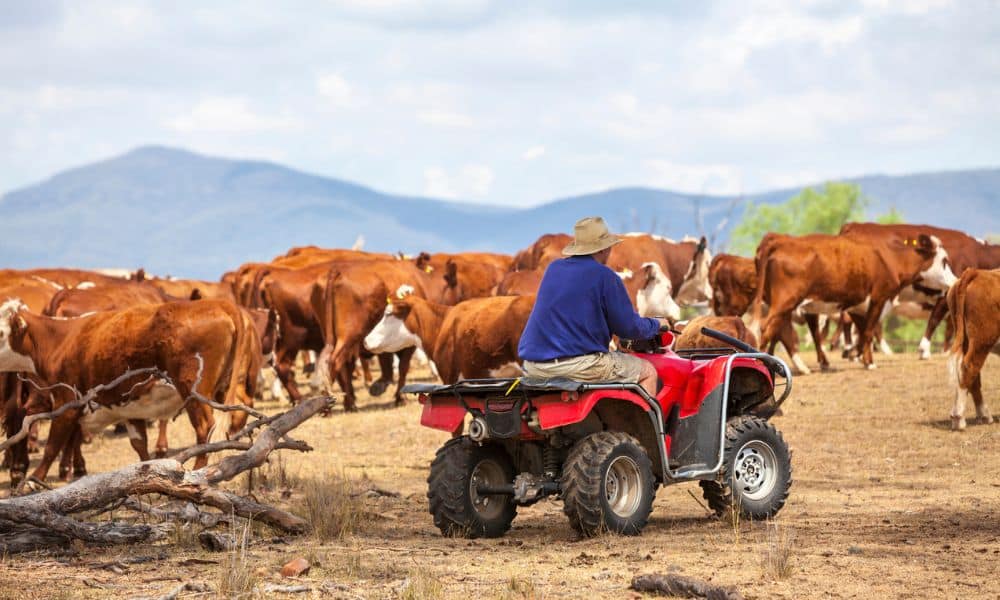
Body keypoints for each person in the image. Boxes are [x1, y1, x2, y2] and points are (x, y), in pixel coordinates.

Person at [518, 216, 670, 396]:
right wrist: (656, 324)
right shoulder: (605, 277)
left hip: (534, 366)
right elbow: (629, 328)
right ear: (603, 249)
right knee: (647, 372)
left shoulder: (554, 268)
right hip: (578, 367)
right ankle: (646, 424)